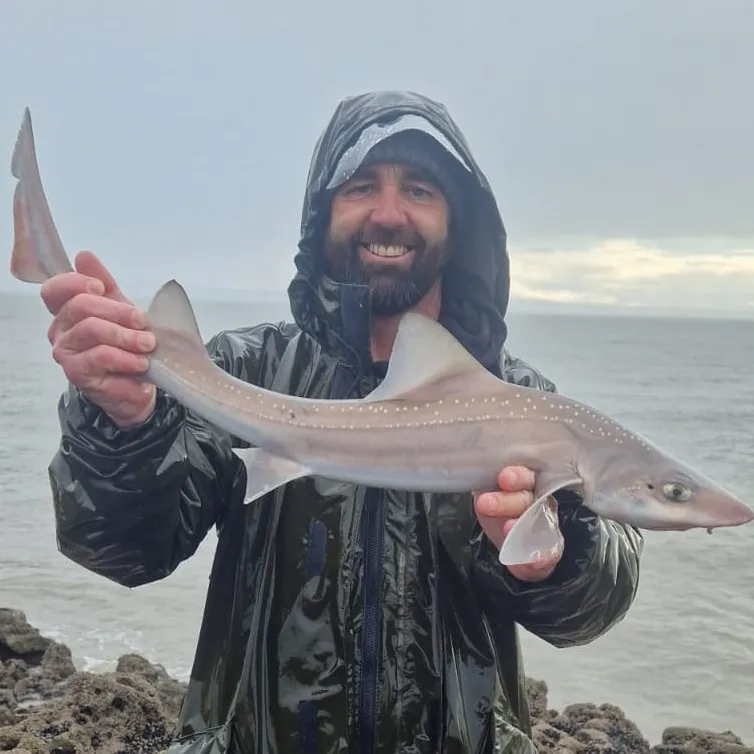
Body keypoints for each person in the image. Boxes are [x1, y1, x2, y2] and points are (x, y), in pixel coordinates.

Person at [40, 90, 643, 753]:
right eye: (361, 187)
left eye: (419, 190)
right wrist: (124, 428)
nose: (389, 214)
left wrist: (554, 554)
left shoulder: (520, 401)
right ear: (320, 214)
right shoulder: (247, 370)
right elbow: (125, 550)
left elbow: (593, 608)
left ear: (459, 221)